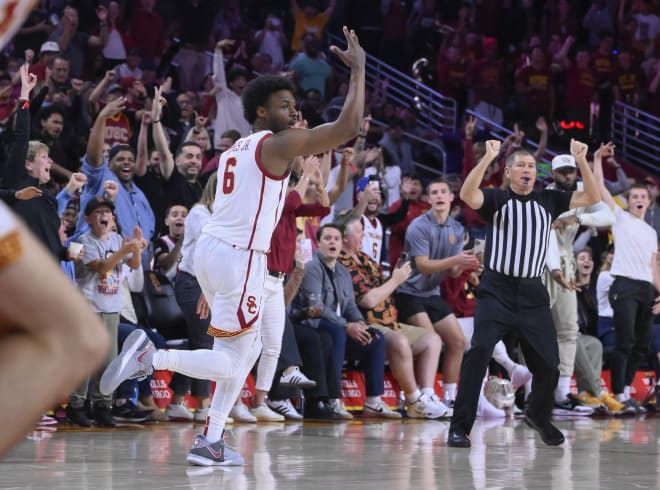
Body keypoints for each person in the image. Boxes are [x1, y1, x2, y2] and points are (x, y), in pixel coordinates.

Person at [100, 26, 366, 466]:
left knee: (243, 351)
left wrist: (212, 281)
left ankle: (211, 439)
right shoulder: (278, 144)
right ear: (260, 110)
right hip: (239, 259)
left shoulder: (237, 149)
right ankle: (154, 356)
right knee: (232, 361)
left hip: (219, 255)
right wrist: (357, 71)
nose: (294, 111)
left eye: (294, 105)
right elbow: (348, 126)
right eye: (284, 105)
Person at [448, 138, 600, 448]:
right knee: (478, 352)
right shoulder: (496, 198)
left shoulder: (549, 199)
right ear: (508, 172)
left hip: (533, 292)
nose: (527, 169)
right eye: (521, 165)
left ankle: (538, 416)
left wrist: (582, 160)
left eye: (531, 165)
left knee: (548, 363)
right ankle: (459, 427)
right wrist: (487, 156)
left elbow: (592, 196)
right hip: (497, 289)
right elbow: (466, 194)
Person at [0, 200, 110, 456]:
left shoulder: (68, 253)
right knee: (78, 337)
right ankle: (73, 405)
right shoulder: (59, 244)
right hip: (85, 304)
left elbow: (68, 251)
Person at [337, 215, 447, 418]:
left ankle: (428, 395)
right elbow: (367, 301)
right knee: (399, 341)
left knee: (433, 340)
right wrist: (396, 281)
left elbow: (383, 287)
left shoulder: (365, 259)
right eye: (359, 231)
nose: (364, 235)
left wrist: (396, 274)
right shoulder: (341, 264)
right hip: (367, 324)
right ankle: (414, 400)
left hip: (391, 321)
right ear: (345, 238)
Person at [394, 178, 480, 414]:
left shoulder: (456, 228)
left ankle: (450, 397)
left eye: (444, 191)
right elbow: (422, 266)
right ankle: (424, 395)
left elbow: (451, 271)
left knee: (459, 341)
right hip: (407, 292)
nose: (439, 195)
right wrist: (456, 259)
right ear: (428, 199)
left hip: (430, 293)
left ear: (452, 198)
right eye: (434, 192)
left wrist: (469, 263)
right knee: (431, 339)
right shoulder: (418, 226)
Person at [543, 152, 614, 413]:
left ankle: (562, 394)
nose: (567, 176)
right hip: (541, 266)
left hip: (567, 265)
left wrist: (578, 218)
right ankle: (533, 392)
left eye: (570, 171)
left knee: (569, 330)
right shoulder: (546, 196)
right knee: (536, 330)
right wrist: (553, 269)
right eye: (562, 172)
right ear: (553, 175)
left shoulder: (584, 192)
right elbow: (547, 238)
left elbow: (610, 217)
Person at [592, 142, 656, 413]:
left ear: (649, 202)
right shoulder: (620, 217)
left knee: (642, 344)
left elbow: (655, 267)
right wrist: (596, 159)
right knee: (626, 342)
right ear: (628, 201)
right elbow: (600, 189)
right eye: (634, 197)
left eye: (643, 197)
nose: (639, 200)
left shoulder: (652, 232)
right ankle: (618, 392)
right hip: (624, 285)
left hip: (647, 289)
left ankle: (627, 391)